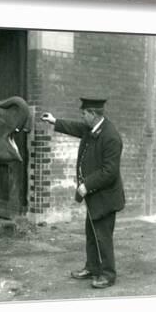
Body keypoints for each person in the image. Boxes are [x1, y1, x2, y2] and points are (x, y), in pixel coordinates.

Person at [41, 98, 125, 289]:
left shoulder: (111, 137)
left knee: (103, 236)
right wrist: (54, 121)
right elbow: (75, 127)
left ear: (93, 115)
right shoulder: (92, 128)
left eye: (84, 114)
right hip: (95, 195)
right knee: (92, 233)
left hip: (105, 197)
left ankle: (107, 275)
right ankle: (92, 267)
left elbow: (109, 172)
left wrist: (86, 185)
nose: (81, 117)